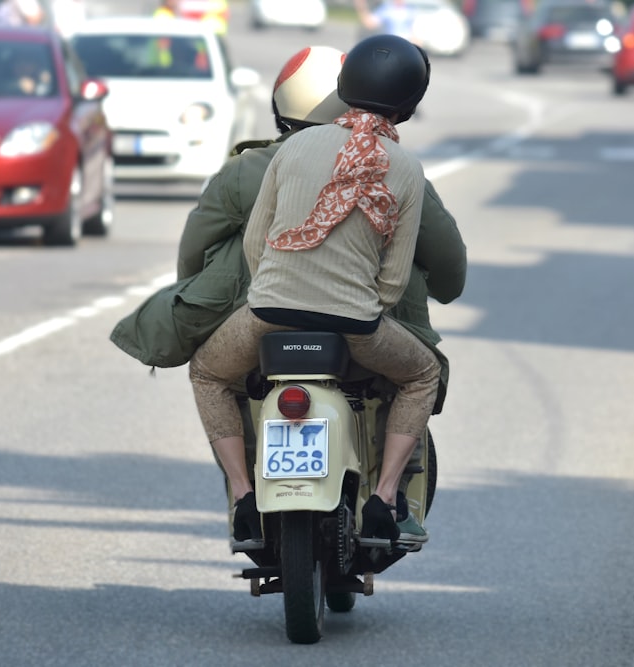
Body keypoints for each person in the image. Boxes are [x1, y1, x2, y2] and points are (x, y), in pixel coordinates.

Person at [187, 34, 450, 545]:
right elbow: (393, 282)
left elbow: (256, 242)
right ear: (410, 104)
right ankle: (386, 498)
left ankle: (244, 496)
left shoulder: (297, 146)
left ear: (344, 86)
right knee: (422, 376)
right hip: (357, 327)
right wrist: (354, 302)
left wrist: (281, 286)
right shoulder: (406, 170)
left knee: (207, 373)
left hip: (268, 312)